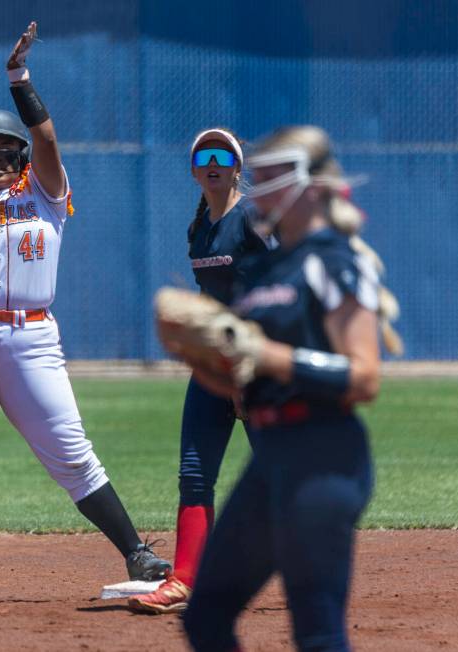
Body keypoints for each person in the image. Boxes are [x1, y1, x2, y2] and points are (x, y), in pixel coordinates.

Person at [0, 22, 170, 605]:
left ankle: (137, 552)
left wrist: (18, 78)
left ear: (19, 156)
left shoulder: (46, 195)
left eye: (4, 150)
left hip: (30, 340)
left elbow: (46, 139)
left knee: (72, 453)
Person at [180, 125, 393, 651]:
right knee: (205, 618)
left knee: (317, 633)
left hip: (322, 458)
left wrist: (268, 355)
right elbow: (245, 377)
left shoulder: (337, 262)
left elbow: (364, 377)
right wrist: (195, 352)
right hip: (270, 459)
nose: (261, 189)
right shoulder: (269, 267)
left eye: (275, 177)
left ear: (312, 185)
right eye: (260, 177)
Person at [128, 128, 268, 614]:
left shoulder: (251, 216)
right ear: (193, 170)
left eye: (222, 155)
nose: (212, 162)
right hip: (212, 366)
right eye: (203, 156)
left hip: (255, 362)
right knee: (194, 473)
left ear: (236, 166)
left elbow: (275, 289)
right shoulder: (200, 228)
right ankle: (184, 580)